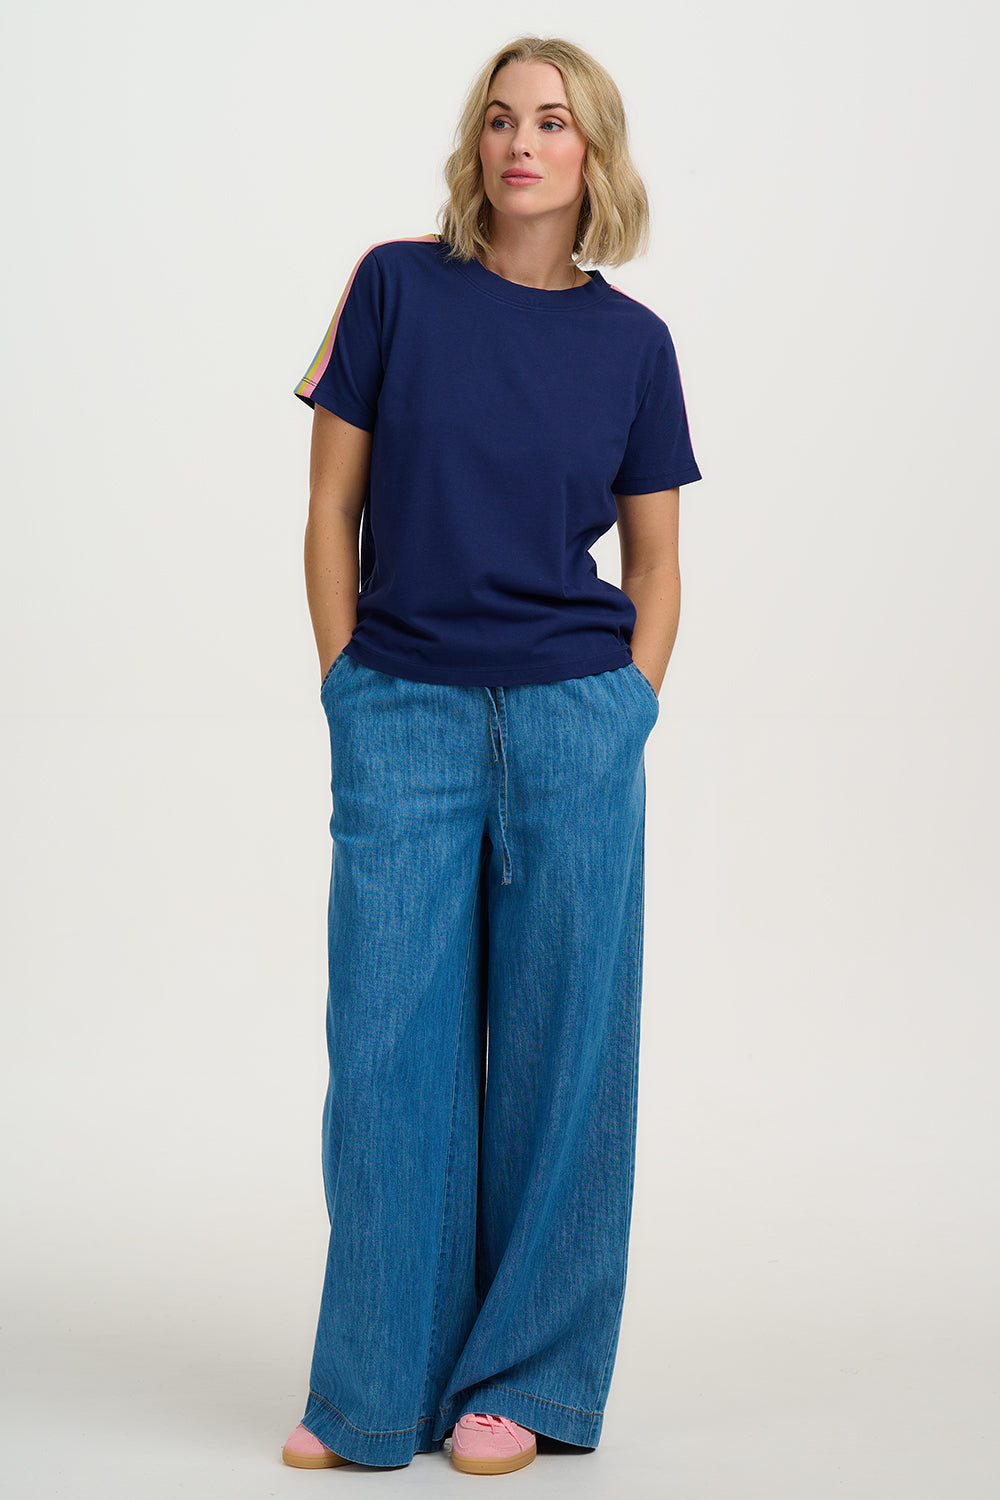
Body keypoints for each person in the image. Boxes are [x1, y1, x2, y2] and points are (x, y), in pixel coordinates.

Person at [280, 34, 702, 1477]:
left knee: (560, 1056)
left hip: (577, 721)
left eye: (556, 123)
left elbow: (658, 560)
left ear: (597, 156)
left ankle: (520, 1380)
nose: (524, 142)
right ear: (476, 147)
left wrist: (628, 708)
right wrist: (348, 682)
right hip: (404, 708)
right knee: (387, 1050)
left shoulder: (634, 347)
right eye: (502, 119)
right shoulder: (396, 288)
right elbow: (331, 507)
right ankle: (375, 1391)